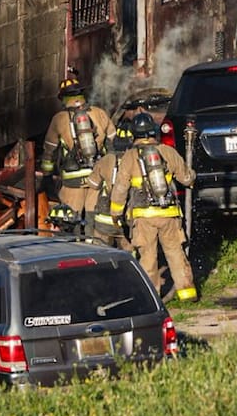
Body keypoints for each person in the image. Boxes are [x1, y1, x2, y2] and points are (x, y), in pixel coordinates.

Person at [109, 112, 197, 302]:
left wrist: (116, 213)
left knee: (148, 258)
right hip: (169, 214)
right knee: (175, 253)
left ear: (134, 134)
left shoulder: (129, 157)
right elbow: (186, 178)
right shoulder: (168, 152)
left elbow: (120, 189)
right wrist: (193, 174)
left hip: (143, 218)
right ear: (153, 132)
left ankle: (153, 299)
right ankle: (187, 293)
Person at [40, 74, 114, 230]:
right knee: (93, 222)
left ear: (63, 99)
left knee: (70, 222)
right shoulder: (99, 113)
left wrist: (46, 176)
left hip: (72, 182)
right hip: (97, 177)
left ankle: (75, 250)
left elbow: (49, 151)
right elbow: (114, 143)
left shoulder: (59, 119)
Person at [86, 119, 135, 251]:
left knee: (101, 254)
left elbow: (93, 184)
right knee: (130, 253)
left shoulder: (106, 159)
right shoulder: (136, 159)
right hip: (127, 220)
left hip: (104, 221)